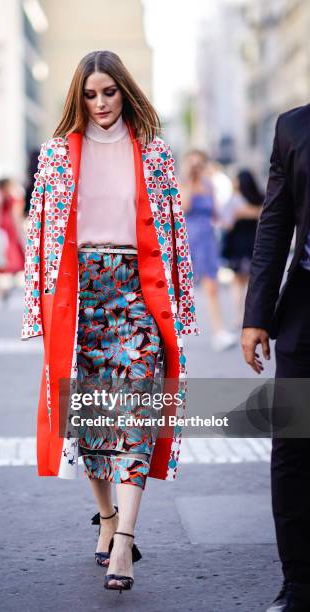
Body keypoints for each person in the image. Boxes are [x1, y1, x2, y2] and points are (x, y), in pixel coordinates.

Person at [21, 50, 199, 593]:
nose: (100, 103)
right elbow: (39, 233)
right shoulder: (54, 155)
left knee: (139, 412)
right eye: (90, 94)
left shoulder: (154, 155)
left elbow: (173, 230)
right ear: (78, 97)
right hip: (81, 298)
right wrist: (39, 314)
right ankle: (105, 519)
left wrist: (181, 307)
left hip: (136, 294)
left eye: (110, 92)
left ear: (126, 91)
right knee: (92, 419)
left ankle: (124, 542)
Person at [242, 104, 310, 612]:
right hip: (305, 313)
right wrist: (256, 315)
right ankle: (299, 582)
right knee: (293, 444)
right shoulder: (293, 126)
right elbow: (275, 225)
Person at [181, 150, 236, 351]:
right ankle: (178, 331)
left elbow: (215, 212)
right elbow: (184, 207)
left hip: (207, 239)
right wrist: (190, 180)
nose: (196, 167)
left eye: (199, 164)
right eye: (192, 163)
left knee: (212, 286)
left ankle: (218, 332)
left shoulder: (209, 185)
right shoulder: (183, 185)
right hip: (187, 240)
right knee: (184, 288)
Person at [221, 170, 263, 329]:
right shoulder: (259, 199)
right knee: (251, 283)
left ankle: (240, 317)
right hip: (254, 245)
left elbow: (227, 224)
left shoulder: (235, 200)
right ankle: (248, 316)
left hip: (239, 247)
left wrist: (238, 214)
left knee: (238, 283)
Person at [0, 178, 24, 301]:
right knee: (12, 252)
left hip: (3, 225)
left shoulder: (2, 198)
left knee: (6, 251)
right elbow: (16, 214)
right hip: (10, 225)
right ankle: (9, 281)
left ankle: (6, 284)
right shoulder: (13, 197)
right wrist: (19, 229)